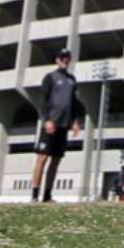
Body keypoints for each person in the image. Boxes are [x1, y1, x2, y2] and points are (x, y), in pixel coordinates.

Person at [31, 49, 84, 203]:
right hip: (51, 124)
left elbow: (73, 103)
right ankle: (35, 194)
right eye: (62, 58)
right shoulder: (50, 77)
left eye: (67, 58)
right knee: (42, 159)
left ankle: (47, 195)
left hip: (64, 125)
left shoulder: (72, 79)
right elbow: (43, 100)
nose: (65, 60)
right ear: (57, 60)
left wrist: (74, 122)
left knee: (56, 161)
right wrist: (47, 119)